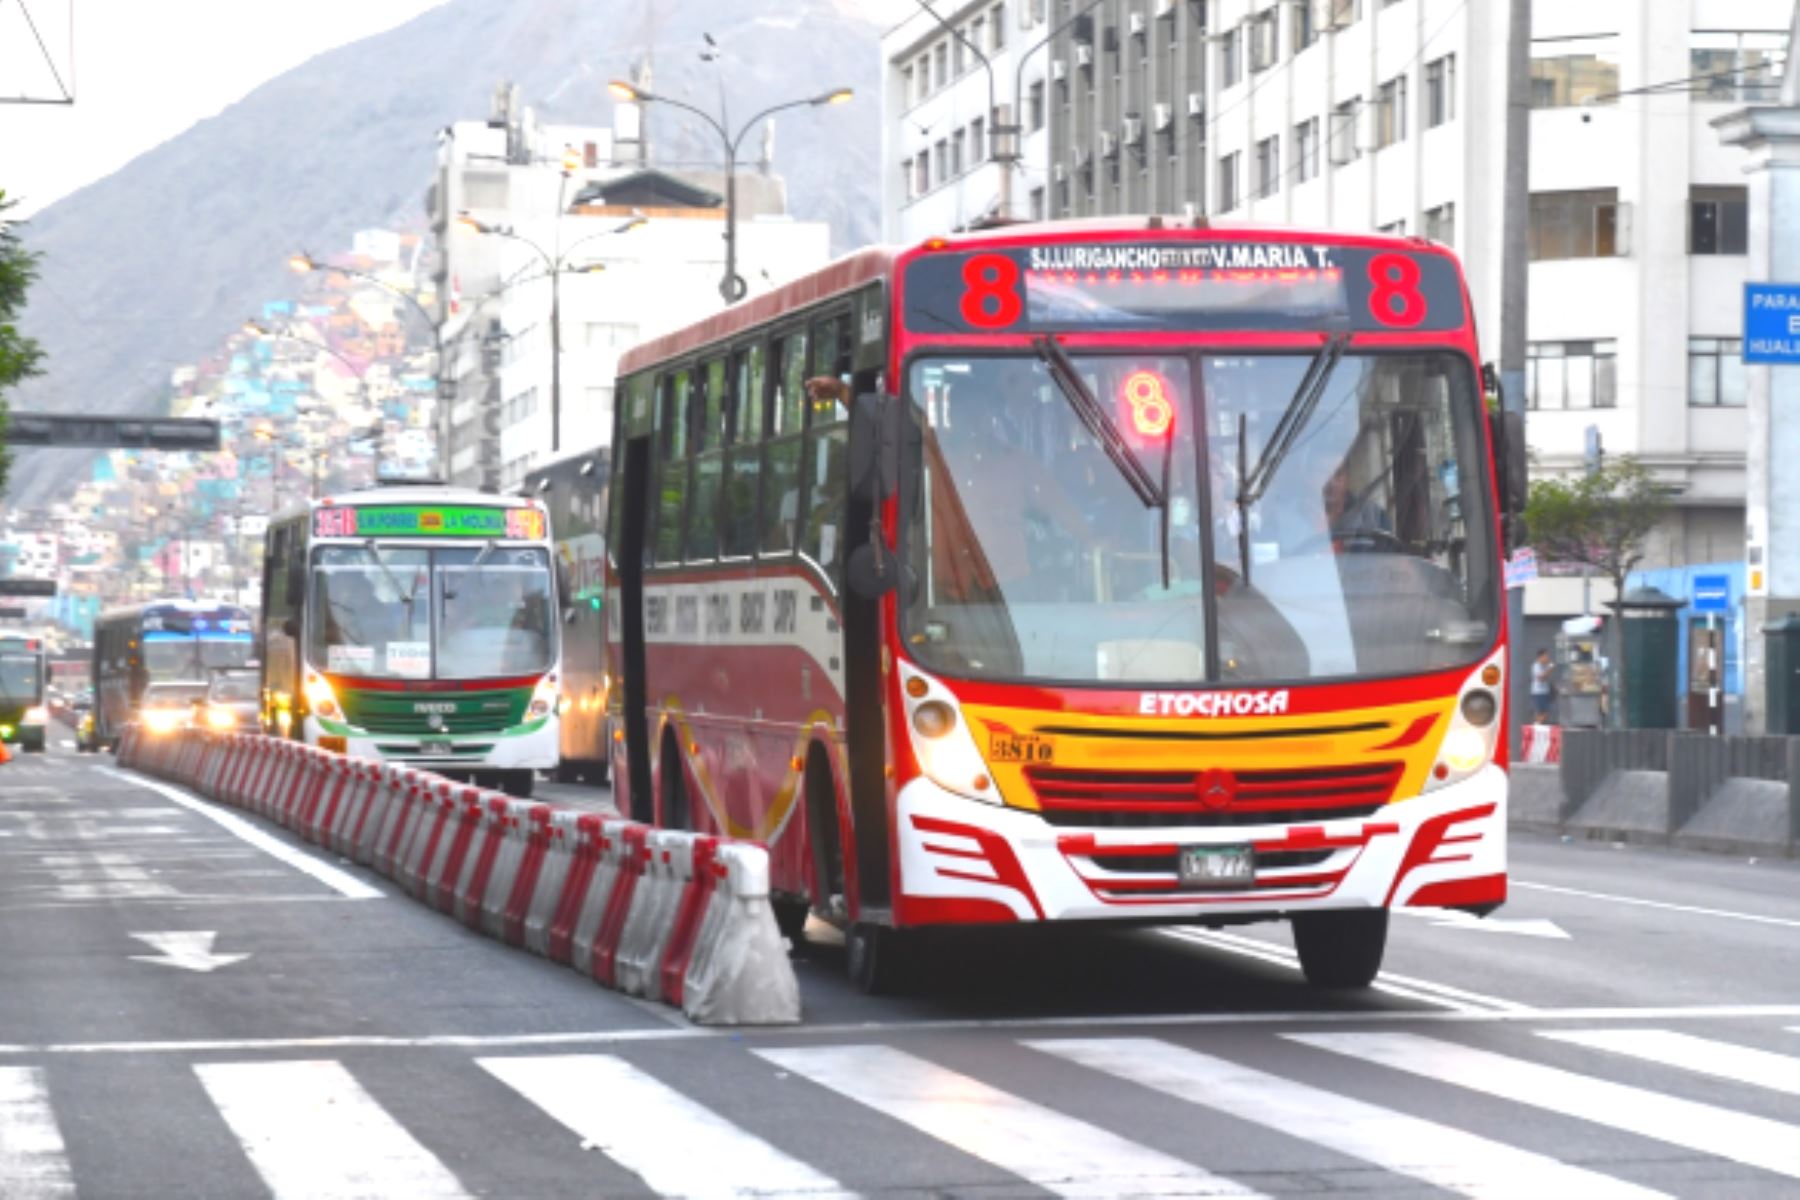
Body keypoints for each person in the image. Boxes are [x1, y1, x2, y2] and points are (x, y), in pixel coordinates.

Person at [1531, 647, 1556, 724]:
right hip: (1539, 692)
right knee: (1542, 711)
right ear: (1540, 657)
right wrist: (1549, 669)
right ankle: (1537, 724)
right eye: (1545, 656)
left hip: (1545, 692)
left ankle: (1538, 723)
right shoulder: (1536, 666)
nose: (1547, 658)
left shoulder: (1545, 666)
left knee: (1546, 710)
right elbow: (1540, 678)